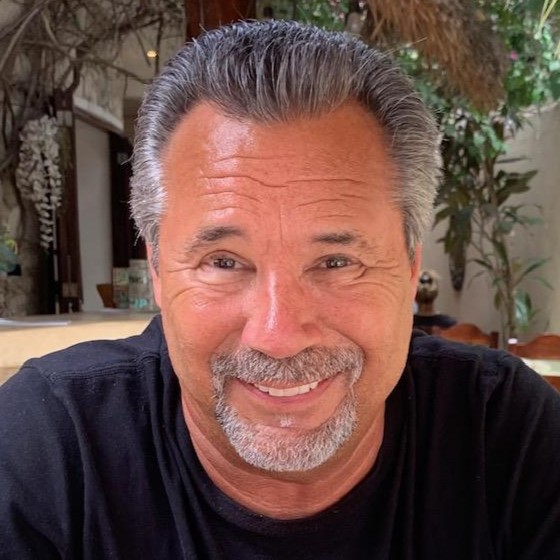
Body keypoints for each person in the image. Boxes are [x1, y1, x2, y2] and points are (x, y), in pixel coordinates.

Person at [1, 20, 559, 560]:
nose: (278, 335)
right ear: (159, 272)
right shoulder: (48, 446)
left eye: (336, 262)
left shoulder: (505, 433)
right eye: (223, 262)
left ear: (411, 269)